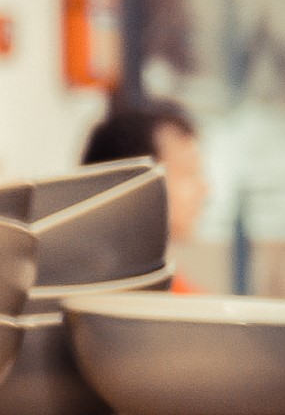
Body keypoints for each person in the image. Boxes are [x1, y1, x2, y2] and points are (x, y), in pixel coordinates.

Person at [88, 93, 210, 290]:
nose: (205, 190)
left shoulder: (177, 291)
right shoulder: (101, 295)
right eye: (188, 173)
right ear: (136, 186)